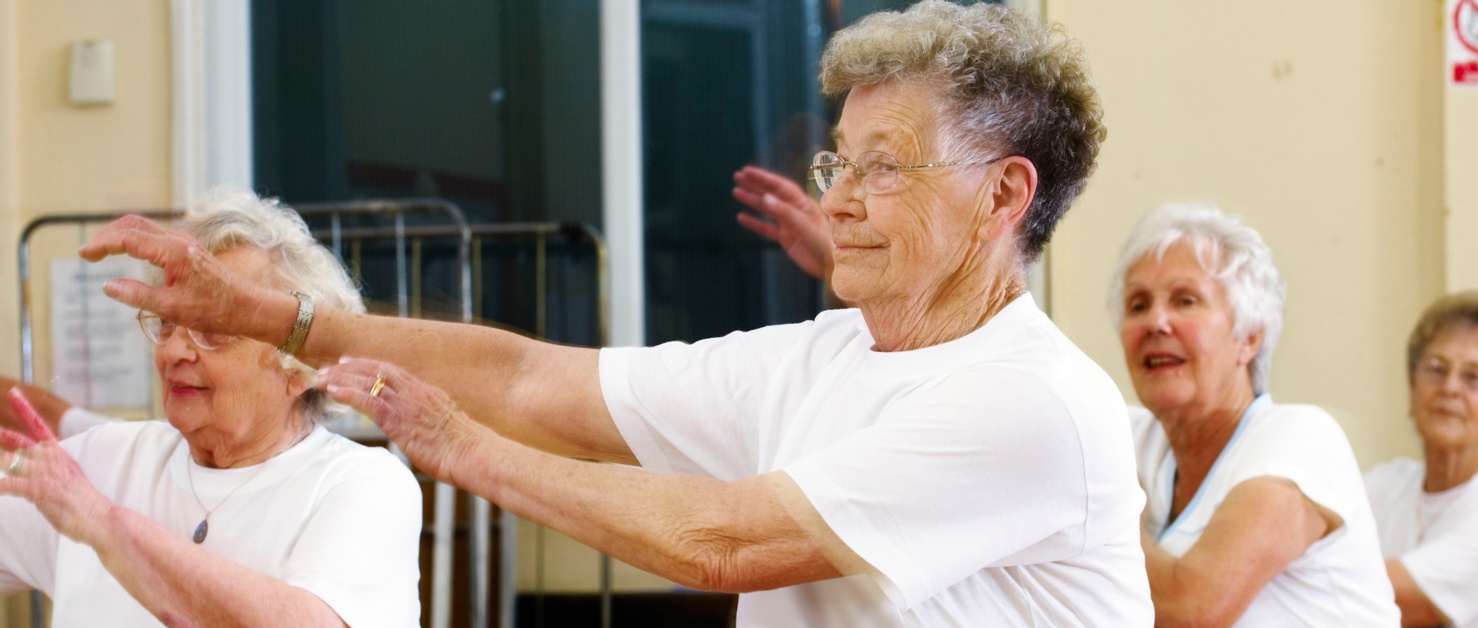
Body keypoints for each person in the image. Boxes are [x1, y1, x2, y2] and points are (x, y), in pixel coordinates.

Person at [80, 2, 1152, 625]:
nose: (837, 197)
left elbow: (725, 542)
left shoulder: (1035, 404)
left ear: (1003, 197)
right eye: (840, 161)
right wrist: (282, 320)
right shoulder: (818, 357)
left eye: (885, 167)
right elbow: (531, 378)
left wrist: (464, 448)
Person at [0, 188, 421, 626]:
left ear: (301, 369)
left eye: (213, 328)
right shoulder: (104, 461)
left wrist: (103, 524)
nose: (174, 351)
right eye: (166, 323)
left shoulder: (366, 484)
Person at [1111, 203, 1398, 625]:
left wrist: (1109, 504)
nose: (1156, 321)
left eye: (1185, 301)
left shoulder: (1301, 439)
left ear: (1248, 337)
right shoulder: (1132, 438)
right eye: (1138, 305)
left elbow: (1191, 611)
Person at [1365, 292, 1478, 627]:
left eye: (1473, 376)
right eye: (1436, 369)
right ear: (1412, 387)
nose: (1450, 388)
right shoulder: (1383, 486)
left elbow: (1408, 603)